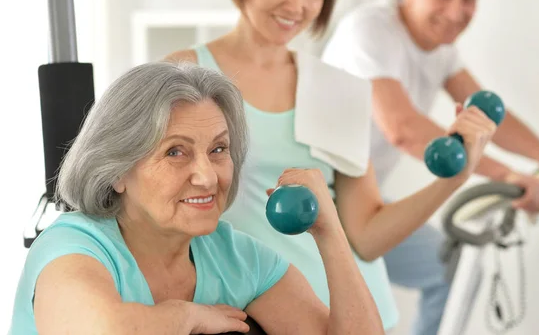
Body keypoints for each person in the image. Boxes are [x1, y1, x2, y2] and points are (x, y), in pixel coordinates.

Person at [164, 0, 498, 332]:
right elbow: (152, 205)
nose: (297, 5)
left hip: (346, 313)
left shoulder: (335, 89)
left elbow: (366, 236)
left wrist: (456, 177)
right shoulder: (183, 75)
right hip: (248, 310)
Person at [321, 0, 539, 335]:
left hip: (365, 198)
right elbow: (404, 129)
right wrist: (509, 176)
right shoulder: (370, 31)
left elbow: (488, 115)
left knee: (449, 269)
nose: (455, 11)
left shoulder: (440, 48)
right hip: (322, 201)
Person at [9, 62, 386, 335]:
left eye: (219, 149)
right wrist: (186, 316)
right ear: (118, 170)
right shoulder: (73, 244)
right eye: (176, 152)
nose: (207, 176)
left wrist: (329, 228)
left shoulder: (236, 258)